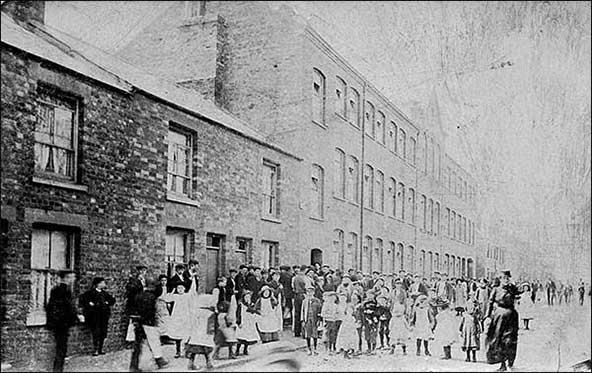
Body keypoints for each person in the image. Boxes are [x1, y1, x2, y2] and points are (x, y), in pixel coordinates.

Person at [129, 279, 169, 372]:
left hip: (138, 322)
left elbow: (132, 309)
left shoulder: (137, 296)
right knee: (154, 341)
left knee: (137, 345)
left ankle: (133, 366)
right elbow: (152, 311)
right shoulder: (152, 297)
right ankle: (159, 360)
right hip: (149, 322)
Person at [485, 270, 521, 371]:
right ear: (500, 279)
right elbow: (490, 302)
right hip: (499, 316)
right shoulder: (496, 290)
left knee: (510, 340)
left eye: (507, 278)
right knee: (498, 340)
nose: (506, 280)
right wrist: (487, 316)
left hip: (511, 316)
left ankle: (510, 362)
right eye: (503, 278)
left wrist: (514, 286)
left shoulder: (512, 289)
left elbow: (521, 290)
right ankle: (502, 364)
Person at [46, 270, 82, 372]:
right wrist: (76, 317)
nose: (73, 279)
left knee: (61, 347)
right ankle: (58, 370)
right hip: (61, 323)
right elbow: (67, 307)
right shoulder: (63, 290)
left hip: (60, 322)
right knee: (61, 347)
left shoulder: (58, 290)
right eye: (72, 277)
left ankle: (58, 369)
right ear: (66, 278)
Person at [185, 283, 218, 371]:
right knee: (205, 345)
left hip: (198, 328)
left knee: (196, 345)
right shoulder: (209, 308)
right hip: (204, 328)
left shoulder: (198, 305)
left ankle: (192, 363)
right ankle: (208, 362)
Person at [79, 277, 116, 356]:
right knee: (95, 332)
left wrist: (107, 303)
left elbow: (112, 300)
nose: (104, 284)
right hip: (95, 316)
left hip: (103, 316)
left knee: (103, 332)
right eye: (102, 283)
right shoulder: (90, 293)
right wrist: (89, 303)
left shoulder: (104, 293)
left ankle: (100, 349)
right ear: (98, 284)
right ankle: (95, 349)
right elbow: (82, 299)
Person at [388, 278, 409, 356]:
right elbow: (390, 301)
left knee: (402, 334)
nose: (398, 285)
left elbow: (405, 302)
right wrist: (391, 309)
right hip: (394, 310)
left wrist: (405, 311)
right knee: (394, 334)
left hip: (401, 309)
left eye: (399, 284)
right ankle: (392, 348)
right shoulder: (393, 292)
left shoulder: (403, 292)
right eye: (397, 283)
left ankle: (404, 350)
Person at [236, 290, 260, 356]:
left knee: (247, 338)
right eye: (246, 297)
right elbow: (238, 314)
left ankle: (245, 349)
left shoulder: (251, 305)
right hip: (243, 322)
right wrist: (239, 322)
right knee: (241, 337)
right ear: (243, 297)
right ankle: (237, 350)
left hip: (249, 323)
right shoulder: (241, 305)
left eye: (248, 297)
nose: (247, 299)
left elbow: (253, 312)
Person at [302, 285, 322, 355]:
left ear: (313, 292)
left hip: (314, 319)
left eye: (311, 291)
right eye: (308, 292)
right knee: (308, 334)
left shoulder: (317, 301)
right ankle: (309, 348)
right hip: (307, 319)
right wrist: (303, 320)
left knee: (315, 334)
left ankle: (315, 348)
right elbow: (303, 311)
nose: (309, 293)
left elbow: (319, 311)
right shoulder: (304, 301)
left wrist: (319, 320)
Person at [292, 265, 312, 337]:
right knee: (304, 313)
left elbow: (293, 287)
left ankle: (297, 332)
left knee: (297, 314)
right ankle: (304, 332)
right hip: (303, 296)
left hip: (296, 296)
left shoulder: (295, 278)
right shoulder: (305, 278)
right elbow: (307, 288)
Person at [155, 275, 171, 339]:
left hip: (166, 304)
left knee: (166, 318)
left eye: (165, 280)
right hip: (159, 304)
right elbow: (156, 296)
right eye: (162, 280)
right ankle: (160, 334)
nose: (164, 282)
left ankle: (165, 334)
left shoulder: (168, 288)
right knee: (159, 319)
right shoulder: (158, 288)